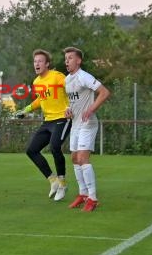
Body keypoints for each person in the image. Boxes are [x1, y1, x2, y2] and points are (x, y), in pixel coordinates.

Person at [18, 49, 71, 201]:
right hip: (48, 121)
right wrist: (26, 110)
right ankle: (53, 180)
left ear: (47, 64)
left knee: (55, 147)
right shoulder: (36, 81)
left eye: (40, 61)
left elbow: (72, 88)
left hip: (63, 118)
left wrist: (71, 106)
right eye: (35, 61)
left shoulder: (57, 76)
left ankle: (62, 183)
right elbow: (40, 100)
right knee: (31, 150)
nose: (37, 64)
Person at [63, 47, 111, 212]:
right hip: (75, 124)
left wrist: (91, 109)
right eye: (66, 58)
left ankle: (93, 198)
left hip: (88, 124)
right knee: (75, 159)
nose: (66, 61)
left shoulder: (84, 76)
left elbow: (104, 92)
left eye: (70, 58)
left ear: (78, 60)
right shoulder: (67, 80)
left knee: (83, 158)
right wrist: (68, 110)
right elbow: (73, 102)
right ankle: (83, 195)